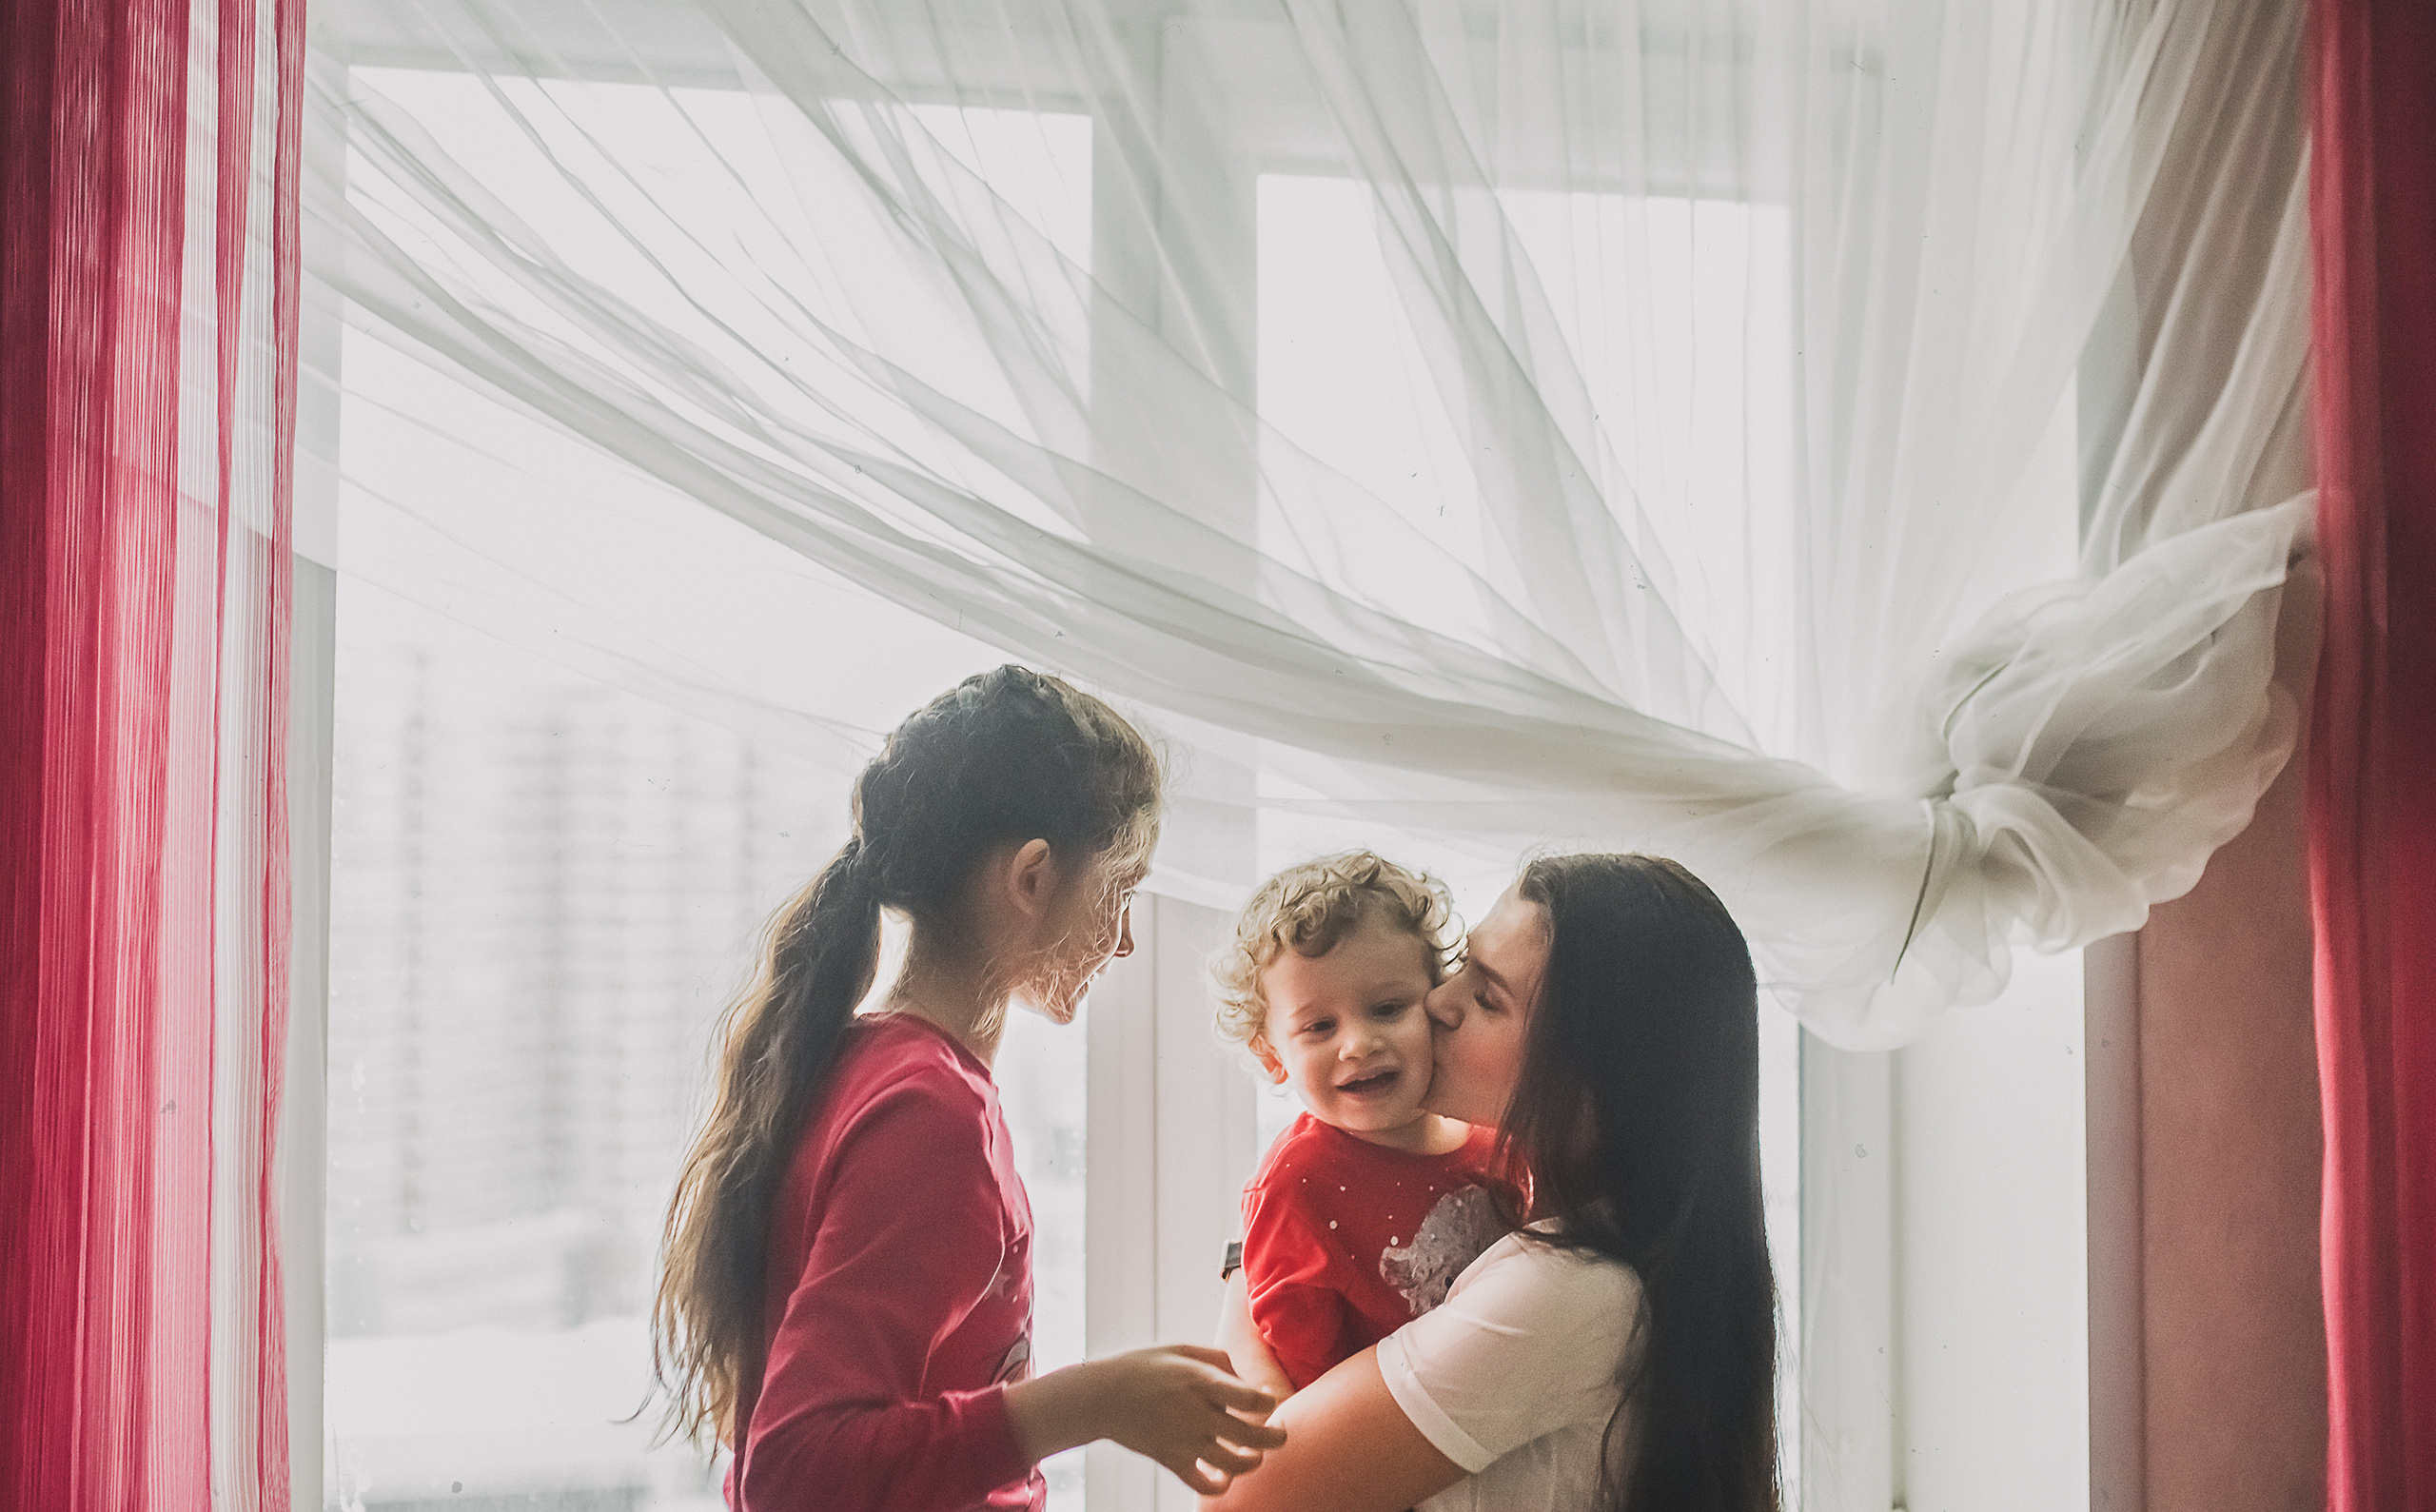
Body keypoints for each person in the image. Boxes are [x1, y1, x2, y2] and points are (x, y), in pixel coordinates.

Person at [652, 667, 1286, 1512]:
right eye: (1120, 890)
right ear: (1030, 878)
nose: (1126, 940)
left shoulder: (865, 1065)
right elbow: (795, 1471)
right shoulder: (930, 1113)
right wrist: (1095, 1402)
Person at [1202, 853, 1781, 1512]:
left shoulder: (1566, 1291)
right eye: (1459, 970)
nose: (1437, 1004)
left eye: (1485, 995)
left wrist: (1243, 1279)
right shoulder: (1604, 1238)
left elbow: (1243, 1500)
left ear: (1588, 1074)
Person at [1208, 852, 1515, 1400]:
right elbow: (1300, 1392)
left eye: (1388, 1008)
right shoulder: (1296, 1183)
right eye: (1320, 1026)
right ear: (1271, 1054)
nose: (1358, 1044)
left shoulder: (1500, 1130)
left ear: (1438, 1003)